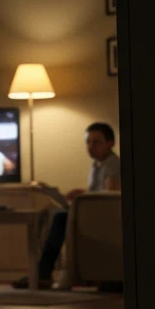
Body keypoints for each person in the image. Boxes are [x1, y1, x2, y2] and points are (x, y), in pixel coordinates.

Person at [13, 122, 122, 290]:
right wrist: (82, 192)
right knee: (51, 213)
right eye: (88, 142)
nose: (90, 147)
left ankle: (43, 272)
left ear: (110, 143)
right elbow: (99, 190)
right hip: (91, 213)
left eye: (96, 142)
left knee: (60, 218)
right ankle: (42, 271)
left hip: (103, 218)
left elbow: (110, 196)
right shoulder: (97, 165)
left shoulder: (112, 164)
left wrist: (83, 198)